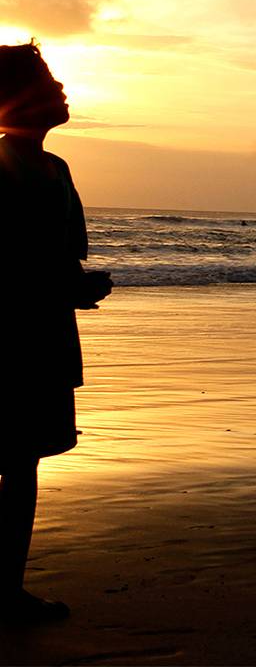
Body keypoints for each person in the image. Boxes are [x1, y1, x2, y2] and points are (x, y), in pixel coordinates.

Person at [0, 42, 112, 625]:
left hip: (45, 336)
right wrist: (60, 287)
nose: (60, 90)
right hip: (7, 340)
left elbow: (63, 258)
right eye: (46, 82)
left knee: (22, 467)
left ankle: (8, 590)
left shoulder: (58, 168)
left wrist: (79, 287)